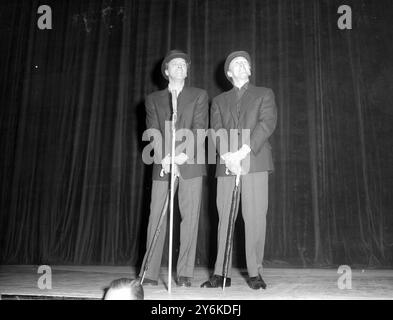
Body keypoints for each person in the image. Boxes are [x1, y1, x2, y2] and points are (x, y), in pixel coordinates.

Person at [201, 51, 277, 290]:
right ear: (229, 73)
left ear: (250, 70)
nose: (242, 66)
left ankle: (255, 273)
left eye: (246, 63)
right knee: (224, 218)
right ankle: (220, 273)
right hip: (227, 165)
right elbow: (215, 130)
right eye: (236, 63)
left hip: (254, 161)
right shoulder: (219, 101)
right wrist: (226, 156)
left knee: (254, 218)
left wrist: (242, 152)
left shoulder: (264, 93)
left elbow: (267, 123)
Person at [139, 50, 208, 287]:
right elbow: (153, 130)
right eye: (175, 64)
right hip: (163, 163)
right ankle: (149, 271)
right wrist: (165, 157)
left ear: (187, 71)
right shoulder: (153, 99)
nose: (180, 67)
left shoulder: (199, 95)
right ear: (166, 71)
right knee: (156, 215)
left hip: (190, 164)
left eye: (183, 65)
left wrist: (182, 156)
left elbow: (200, 128)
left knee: (189, 218)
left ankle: (185, 272)